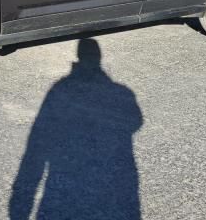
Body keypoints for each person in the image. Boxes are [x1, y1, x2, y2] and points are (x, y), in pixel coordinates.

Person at [9, 38, 143, 220]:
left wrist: (19, 210)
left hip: (62, 181)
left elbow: (36, 142)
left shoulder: (60, 88)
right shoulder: (121, 91)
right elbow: (136, 121)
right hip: (112, 183)